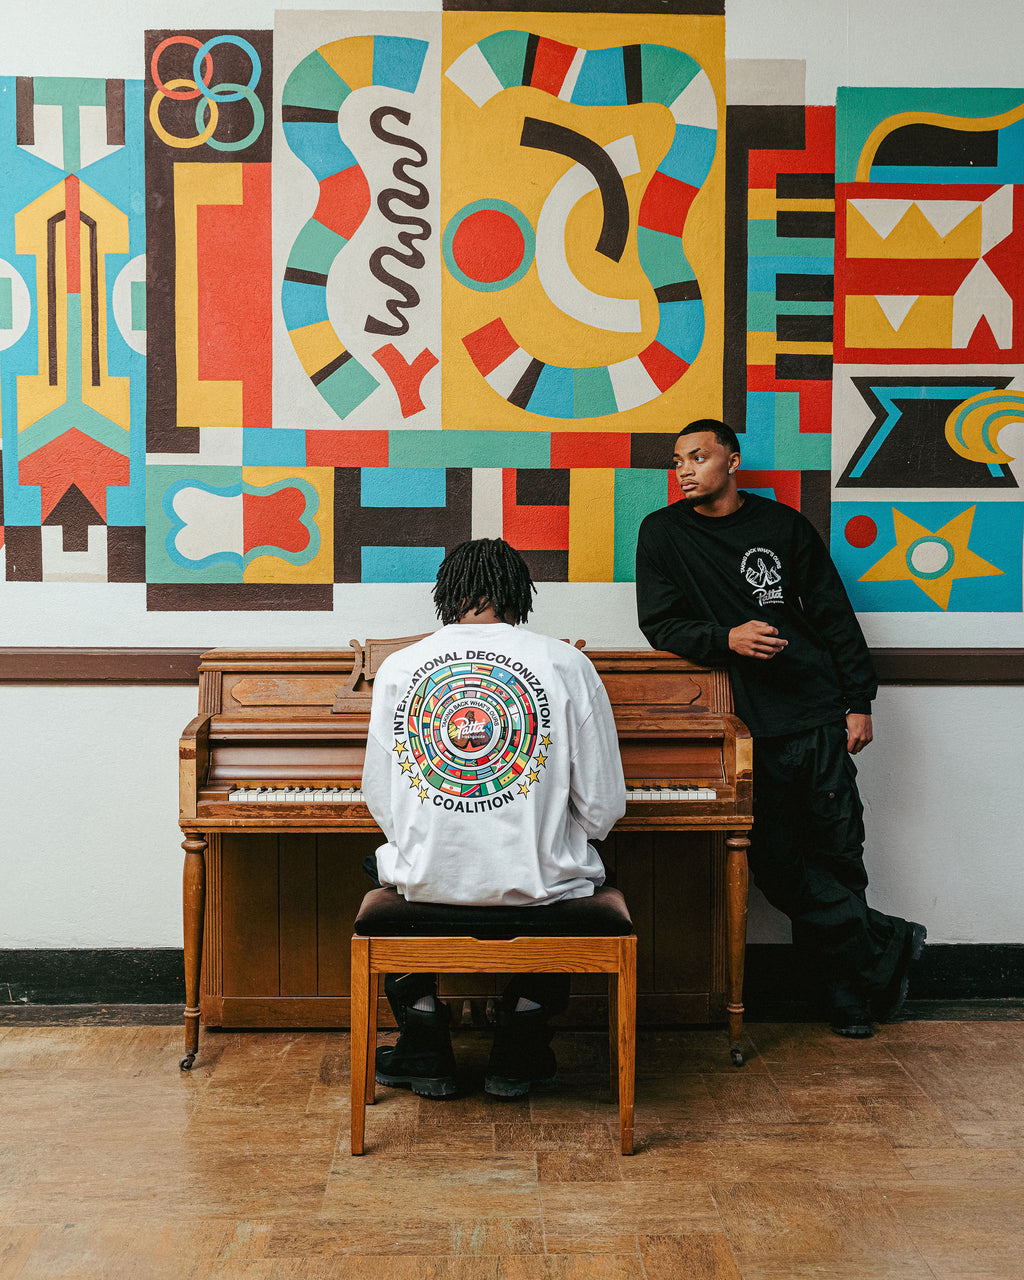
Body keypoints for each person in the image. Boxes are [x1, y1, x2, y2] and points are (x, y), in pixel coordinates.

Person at [635, 418, 925, 1037]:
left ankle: (848, 998)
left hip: (815, 713)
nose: (684, 471)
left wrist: (858, 701)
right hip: (744, 728)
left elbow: (832, 612)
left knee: (837, 852)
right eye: (677, 461)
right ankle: (889, 941)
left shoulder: (783, 526)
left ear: (732, 461)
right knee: (774, 862)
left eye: (698, 457)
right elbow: (659, 624)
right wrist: (726, 637)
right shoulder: (662, 533)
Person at [362, 537, 626, 1097]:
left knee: (378, 865)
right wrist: (549, 832)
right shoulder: (566, 663)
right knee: (580, 878)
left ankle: (423, 1037)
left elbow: (380, 798)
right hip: (540, 884)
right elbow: (604, 806)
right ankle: (522, 1039)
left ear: (447, 594)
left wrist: (439, 836)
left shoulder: (399, 667)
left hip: (428, 882)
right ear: (518, 594)